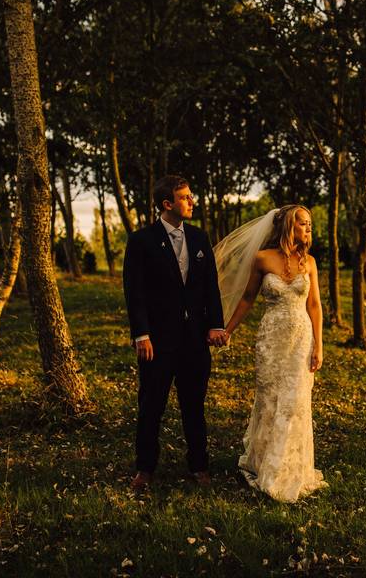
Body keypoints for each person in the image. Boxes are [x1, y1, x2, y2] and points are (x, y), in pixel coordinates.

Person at [122, 175, 227, 491]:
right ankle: (145, 468)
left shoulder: (199, 238)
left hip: (195, 339)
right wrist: (142, 334)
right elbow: (134, 292)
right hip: (157, 341)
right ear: (168, 204)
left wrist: (216, 324)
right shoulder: (141, 241)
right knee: (151, 405)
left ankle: (199, 465)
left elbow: (211, 287)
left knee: (194, 405)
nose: (191, 201)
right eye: (185, 197)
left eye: (190, 196)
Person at [218, 205, 328, 502]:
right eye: (303, 223)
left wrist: (319, 344)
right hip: (271, 339)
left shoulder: (310, 263)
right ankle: (263, 462)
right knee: (269, 400)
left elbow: (315, 306)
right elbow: (248, 298)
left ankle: (288, 469)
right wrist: (228, 330)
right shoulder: (262, 258)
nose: (308, 229)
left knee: (295, 400)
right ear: (289, 225)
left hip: (301, 338)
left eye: (310, 224)